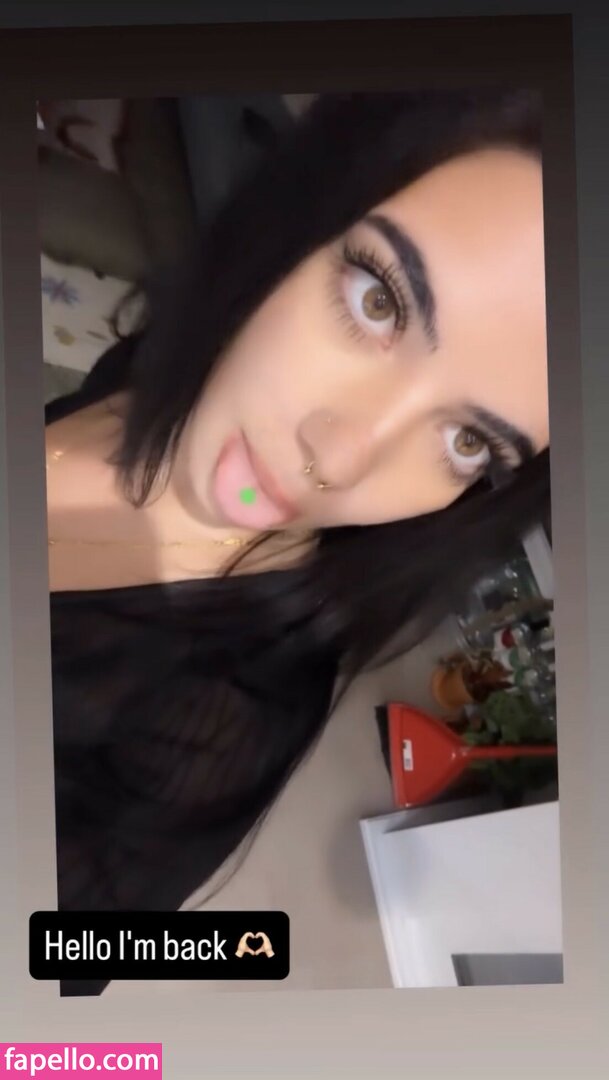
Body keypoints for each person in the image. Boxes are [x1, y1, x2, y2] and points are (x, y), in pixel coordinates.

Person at [44, 90, 551, 996]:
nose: (340, 455)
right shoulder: (171, 371)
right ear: (303, 222)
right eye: (378, 299)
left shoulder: (221, 719)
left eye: (467, 441)